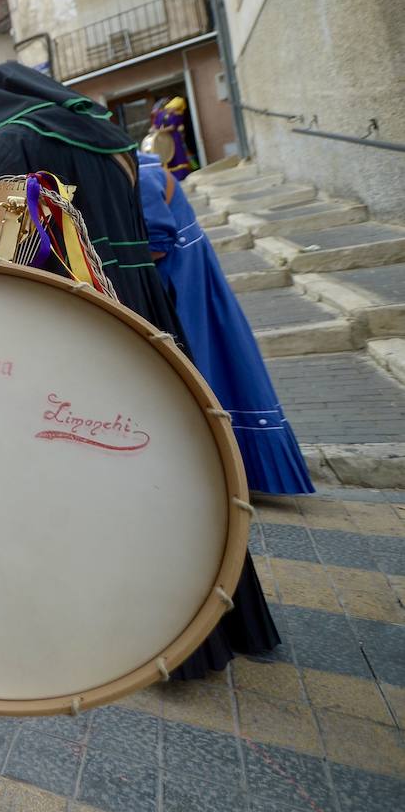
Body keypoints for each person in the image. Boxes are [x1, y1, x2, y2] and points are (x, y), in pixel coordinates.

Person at [135, 151, 289, 677]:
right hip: (189, 269)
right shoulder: (147, 166)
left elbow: (156, 240)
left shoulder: (144, 173)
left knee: (211, 378)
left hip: (180, 276)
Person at [0, 62, 186, 344]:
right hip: (136, 289)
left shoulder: (8, 143)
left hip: (72, 302)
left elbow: (2, 247)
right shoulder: (106, 135)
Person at [143, 97, 198, 179]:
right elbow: (155, 126)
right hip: (164, 140)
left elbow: (172, 127)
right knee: (167, 156)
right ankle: (172, 176)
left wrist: (159, 131)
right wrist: (152, 129)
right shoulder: (160, 115)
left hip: (175, 138)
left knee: (180, 155)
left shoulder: (177, 115)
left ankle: (188, 171)